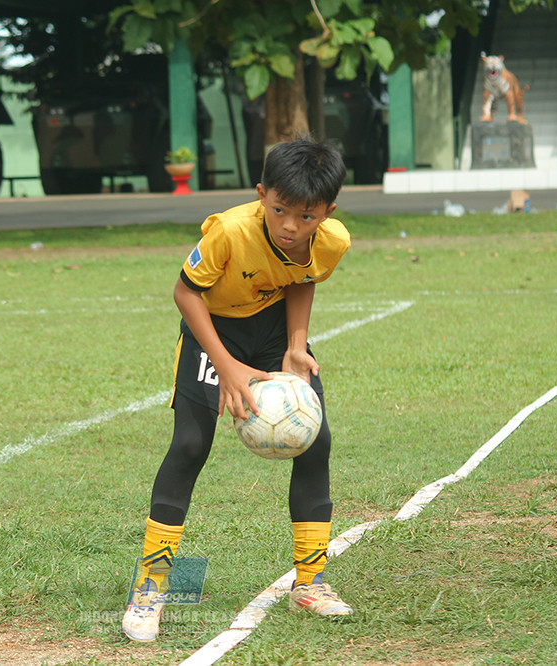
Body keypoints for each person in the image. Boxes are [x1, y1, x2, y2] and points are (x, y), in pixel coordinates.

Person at [122, 135, 353, 642]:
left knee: (318, 442)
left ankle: (310, 583)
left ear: (328, 211)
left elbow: (301, 275)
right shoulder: (228, 230)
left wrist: (296, 345)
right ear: (261, 193)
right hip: (214, 335)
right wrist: (225, 365)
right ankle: (151, 588)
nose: (291, 226)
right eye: (280, 210)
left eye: (307, 216)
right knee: (189, 445)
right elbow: (185, 292)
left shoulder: (332, 239)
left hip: (274, 335)